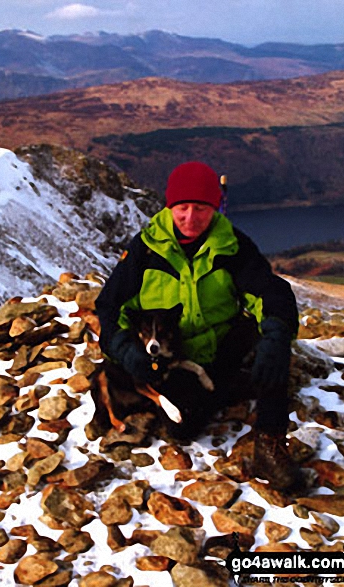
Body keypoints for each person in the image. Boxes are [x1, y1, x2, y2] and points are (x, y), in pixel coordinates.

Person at [95, 161, 301, 490]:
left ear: (215, 207)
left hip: (221, 342)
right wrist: (124, 350)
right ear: (170, 206)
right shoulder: (146, 250)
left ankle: (270, 441)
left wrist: (277, 333)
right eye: (183, 208)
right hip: (168, 352)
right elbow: (109, 306)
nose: (191, 218)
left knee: (273, 353)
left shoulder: (232, 245)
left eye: (202, 208)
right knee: (182, 427)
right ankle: (227, 388)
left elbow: (270, 292)